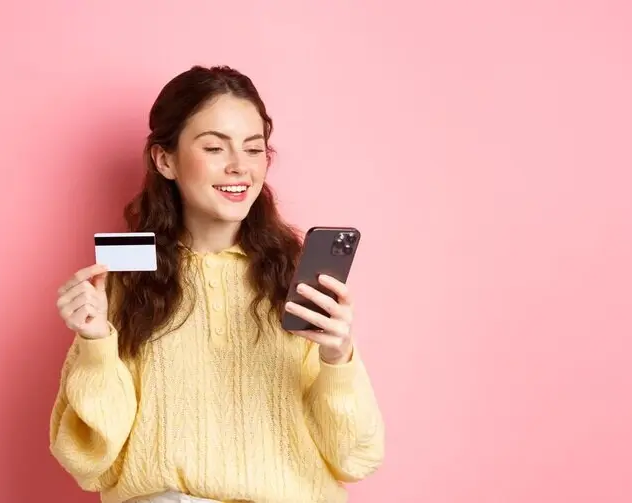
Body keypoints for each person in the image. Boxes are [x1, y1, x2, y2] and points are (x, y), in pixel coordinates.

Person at [48, 65, 385, 503]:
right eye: (214, 147)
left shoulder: (297, 278)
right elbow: (87, 456)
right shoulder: (124, 279)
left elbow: (355, 457)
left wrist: (338, 359)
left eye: (253, 149)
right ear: (164, 160)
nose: (239, 167)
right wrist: (95, 344)